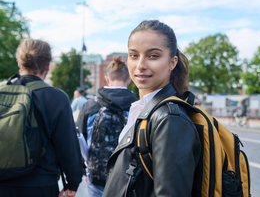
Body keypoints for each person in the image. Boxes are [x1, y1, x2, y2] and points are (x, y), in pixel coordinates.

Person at [102, 20, 201, 197]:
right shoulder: (144, 109)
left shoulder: (170, 118)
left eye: (153, 56)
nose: (140, 65)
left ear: (172, 62)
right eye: (134, 55)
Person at [0, 39, 83, 197]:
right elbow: (67, 146)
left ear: (19, 62)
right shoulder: (56, 97)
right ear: (48, 65)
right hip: (40, 185)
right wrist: (73, 182)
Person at [76, 56, 138, 197]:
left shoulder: (90, 105)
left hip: (97, 175)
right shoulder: (138, 106)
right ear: (128, 80)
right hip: (128, 177)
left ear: (107, 79)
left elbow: (79, 138)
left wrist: (84, 169)